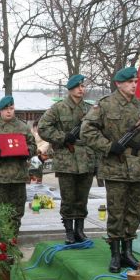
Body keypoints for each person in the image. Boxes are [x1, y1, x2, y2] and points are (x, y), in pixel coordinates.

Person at [81, 67, 140, 273]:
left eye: (135, 81)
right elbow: (86, 131)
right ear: (118, 83)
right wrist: (108, 146)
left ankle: (128, 252)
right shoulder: (105, 105)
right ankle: (115, 254)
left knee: (134, 212)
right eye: (130, 82)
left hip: (138, 166)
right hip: (116, 166)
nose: (134, 85)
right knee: (116, 212)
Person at [38, 74, 96, 244]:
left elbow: (99, 131)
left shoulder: (90, 109)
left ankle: (80, 230)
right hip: (66, 159)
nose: (81, 89)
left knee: (82, 198)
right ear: (70, 89)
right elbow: (43, 128)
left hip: (86, 157)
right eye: (77, 86)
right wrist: (62, 137)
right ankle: (69, 232)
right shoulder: (58, 108)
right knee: (68, 198)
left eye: (83, 86)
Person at [0, 95, 37, 234]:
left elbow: (33, 145)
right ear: (0, 110)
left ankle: (13, 236)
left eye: (11, 108)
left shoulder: (22, 126)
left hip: (18, 176)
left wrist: (26, 152)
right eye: (6, 109)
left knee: (17, 210)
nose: (9, 111)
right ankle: (2, 239)